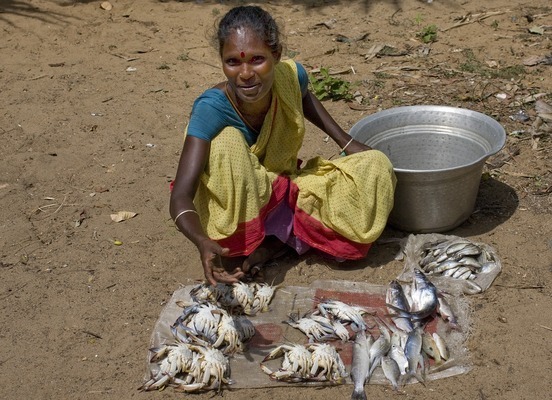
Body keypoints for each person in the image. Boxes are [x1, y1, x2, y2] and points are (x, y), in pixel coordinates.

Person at [170, 6, 396, 286]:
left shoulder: (288, 76)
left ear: (276, 56)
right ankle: (277, 237)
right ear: (222, 61)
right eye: (233, 62)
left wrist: (346, 141)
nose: (245, 73)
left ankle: (277, 241)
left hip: (282, 185)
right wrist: (201, 240)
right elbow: (181, 194)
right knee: (225, 143)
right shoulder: (210, 109)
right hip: (240, 200)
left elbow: (303, 95)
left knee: (375, 165)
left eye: (257, 60)